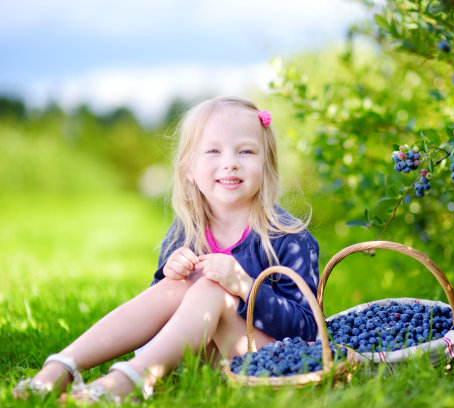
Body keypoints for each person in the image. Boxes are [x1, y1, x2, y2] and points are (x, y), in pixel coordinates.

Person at [12, 96, 320, 403]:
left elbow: (308, 330)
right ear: (189, 169)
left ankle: (132, 378)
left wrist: (244, 287)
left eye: (246, 151)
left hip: (266, 359)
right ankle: (61, 366)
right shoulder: (189, 229)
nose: (230, 162)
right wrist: (168, 276)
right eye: (213, 150)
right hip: (195, 353)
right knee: (177, 286)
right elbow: (157, 314)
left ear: (267, 165)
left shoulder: (289, 238)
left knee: (212, 288)